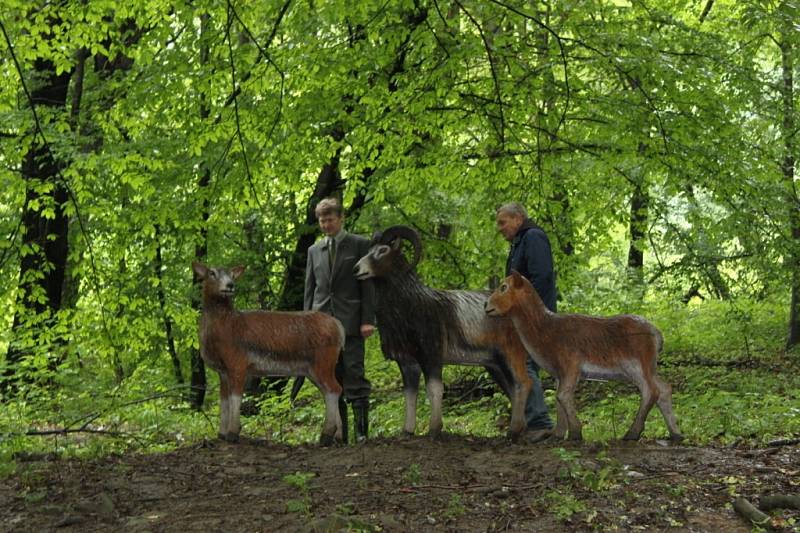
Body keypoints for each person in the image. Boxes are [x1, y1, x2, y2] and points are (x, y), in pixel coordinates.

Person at [304, 197, 376, 443]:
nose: (326, 225)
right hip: (322, 325)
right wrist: (307, 324)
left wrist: (368, 319)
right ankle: (339, 432)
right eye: (322, 221)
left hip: (352, 321)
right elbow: (310, 290)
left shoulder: (359, 244)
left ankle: (362, 433)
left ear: (341, 218)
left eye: (330, 219)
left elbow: (368, 286)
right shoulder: (314, 251)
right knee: (330, 375)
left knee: (355, 371)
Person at [496, 202, 556, 442]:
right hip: (525, 317)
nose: (500, 228)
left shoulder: (533, 237)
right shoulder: (519, 242)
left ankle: (540, 423)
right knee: (523, 365)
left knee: (526, 365)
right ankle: (526, 421)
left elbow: (542, 277)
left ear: (518, 218)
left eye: (503, 222)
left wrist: (527, 311)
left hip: (535, 318)